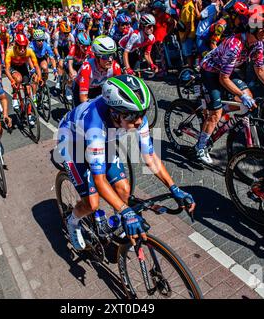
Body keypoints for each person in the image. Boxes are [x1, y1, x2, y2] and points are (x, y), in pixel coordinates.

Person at [56, 74, 196, 250]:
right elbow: (100, 180)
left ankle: (119, 226)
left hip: (99, 141)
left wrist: (174, 188)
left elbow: (150, 157)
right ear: (114, 113)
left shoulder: (135, 118)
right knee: (92, 203)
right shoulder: (95, 123)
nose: (139, 121)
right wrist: (126, 210)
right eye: (132, 116)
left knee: (124, 188)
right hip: (71, 143)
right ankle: (73, 221)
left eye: (142, 114)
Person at [195, 5, 264, 164]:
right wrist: (240, 96)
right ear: (255, 27)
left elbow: (260, 68)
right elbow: (223, 79)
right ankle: (200, 147)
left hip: (225, 70)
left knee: (248, 99)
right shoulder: (235, 45)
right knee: (217, 112)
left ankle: (220, 111)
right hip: (210, 71)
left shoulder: (257, 44)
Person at [73, 35, 122, 106]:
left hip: (97, 86)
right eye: (106, 56)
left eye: (113, 55)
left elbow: (118, 90)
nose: (110, 60)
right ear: (97, 57)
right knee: (80, 111)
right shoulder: (87, 68)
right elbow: (83, 99)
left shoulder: (116, 67)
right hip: (80, 87)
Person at [5, 33, 42, 126]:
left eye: (24, 47)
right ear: (15, 45)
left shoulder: (29, 51)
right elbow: (6, 69)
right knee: (18, 79)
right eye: (20, 47)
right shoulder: (10, 51)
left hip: (23, 67)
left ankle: (29, 115)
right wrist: (12, 81)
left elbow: (36, 66)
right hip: (13, 68)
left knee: (28, 92)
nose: (22, 49)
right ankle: (14, 97)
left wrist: (39, 77)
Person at [65, 32, 93, 101]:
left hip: (80, 64)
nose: (86, 48)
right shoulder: (73, 47)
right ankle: (68, 88)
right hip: (70, 63)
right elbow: (70, 62)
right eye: (83, 46)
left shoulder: (89, 48)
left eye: (87, 45)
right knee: (73, 75)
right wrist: (71, 71)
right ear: (78, 43)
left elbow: (93, 60)